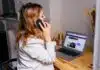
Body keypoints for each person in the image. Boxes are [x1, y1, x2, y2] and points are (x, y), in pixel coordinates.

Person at [16, 2, 56, 70]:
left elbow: (41, 47)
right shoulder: (29, 42)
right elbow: (51, 60)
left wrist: (46, 36)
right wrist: (48, 37)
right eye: (42, 16)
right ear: (34, 21)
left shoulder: (30, 33)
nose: (44, 17)